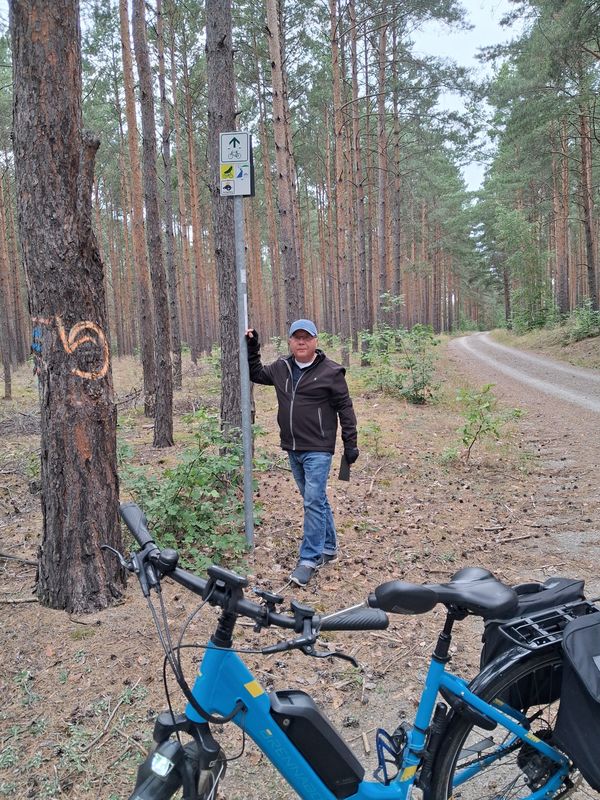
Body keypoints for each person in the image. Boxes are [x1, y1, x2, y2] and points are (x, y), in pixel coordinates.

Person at [245, 319, 359, 587]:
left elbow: (345, 408)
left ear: (316, 341)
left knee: (311, 501)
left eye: (306, 337)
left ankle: (309, 560)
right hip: (292, 446)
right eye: (296, 337)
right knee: (315, 500)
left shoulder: (331, 371)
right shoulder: (281, 368)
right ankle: (329, 548)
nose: (301, 342)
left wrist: (350, 443)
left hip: (318, 448)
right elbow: (256, 374)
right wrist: (253, 346)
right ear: (290, 341)